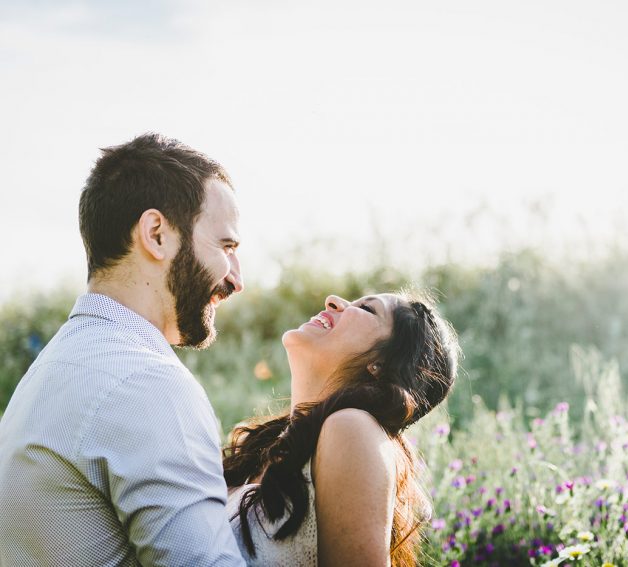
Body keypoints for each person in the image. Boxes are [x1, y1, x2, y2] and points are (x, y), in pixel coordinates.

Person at [0, 133, 248, 566]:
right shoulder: (145, 383)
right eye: (226, 246)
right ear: (156, 235)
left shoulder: (54, 367)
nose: (236, 279)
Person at [223, 291, 458, 567]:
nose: (333, 300)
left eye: (368, 309)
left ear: (380, 365)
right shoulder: (269, 445)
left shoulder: (352, 428)